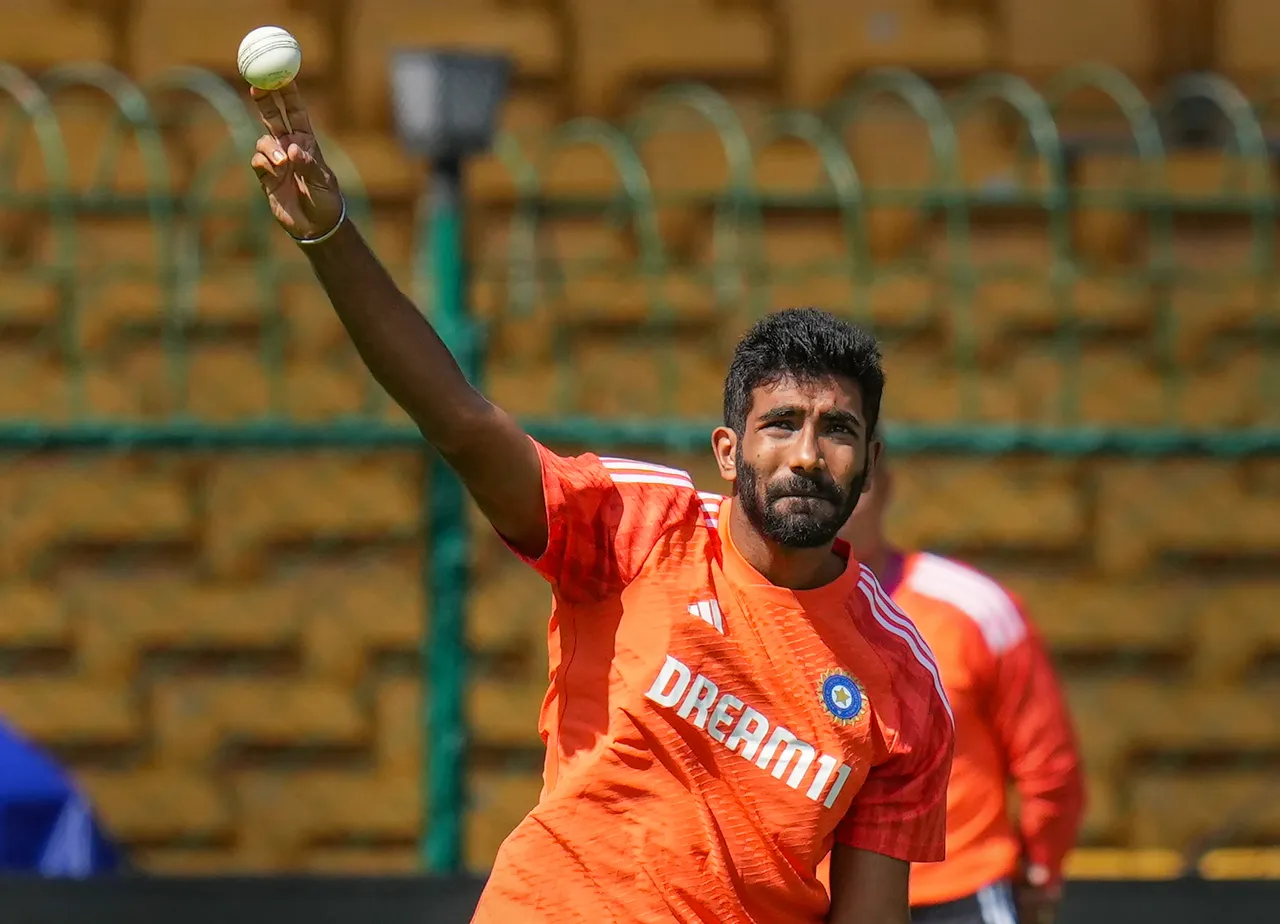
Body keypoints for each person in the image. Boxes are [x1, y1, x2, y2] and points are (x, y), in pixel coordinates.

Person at [246, 82, 954, 924]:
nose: (806, 454)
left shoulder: (904, 682)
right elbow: (463, 423)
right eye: (782, 425)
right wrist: (330, 237)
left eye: (837, 430)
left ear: (869, 463)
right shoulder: (638, 524)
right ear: (729, 451)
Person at [834, 450, 1085, 924]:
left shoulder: (976, 610)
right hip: (816, 895)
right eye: (824, 482)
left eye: (856, 483)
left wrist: (1041, 870)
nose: (841, 502)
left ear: (886, 487)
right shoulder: (756, 616)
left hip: (959, 892)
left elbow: (1049, 766)